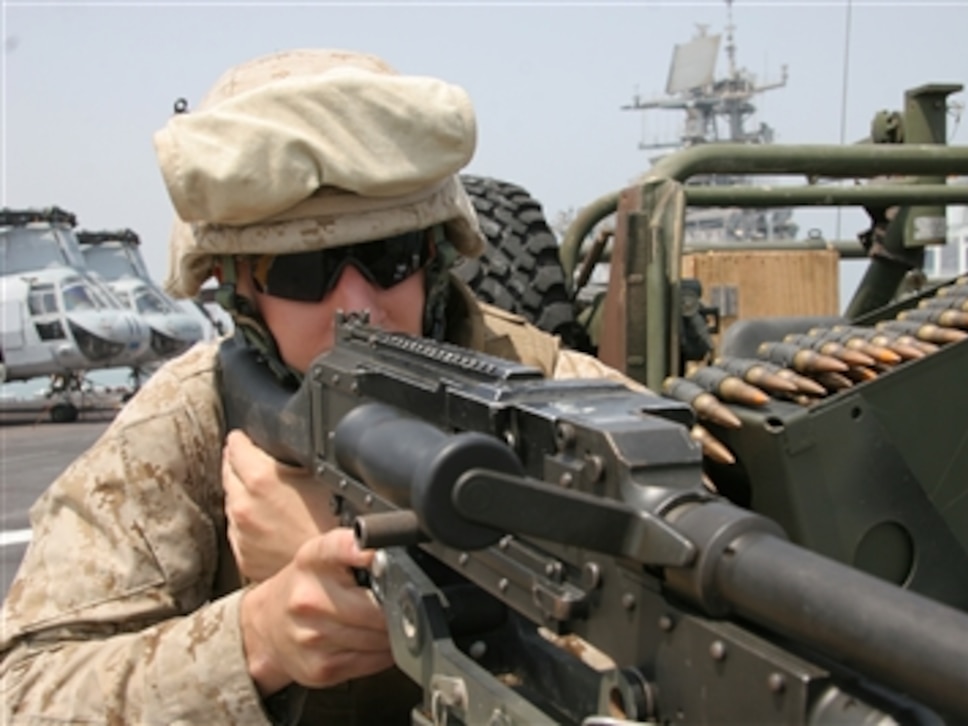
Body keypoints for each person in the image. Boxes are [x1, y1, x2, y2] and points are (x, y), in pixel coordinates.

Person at [0, 49, 638, 725]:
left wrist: (386, 556)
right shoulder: (186, 425)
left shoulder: (552, 396)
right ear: (234, 285)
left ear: (435, 256)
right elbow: (26, 693)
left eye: (390, 257)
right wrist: (254, 639)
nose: (357, 303)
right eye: (303, 270)